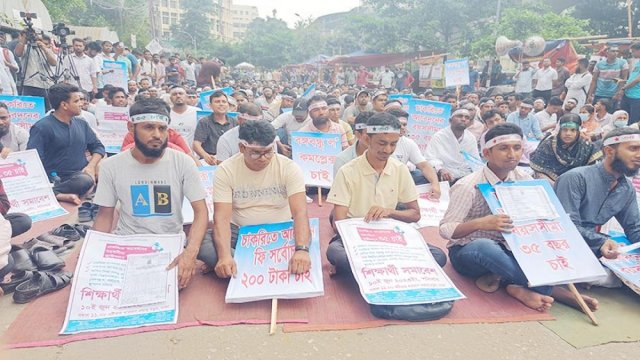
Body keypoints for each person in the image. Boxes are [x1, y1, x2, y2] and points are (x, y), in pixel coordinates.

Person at [441, 122, 598, 312]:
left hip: (514, 249)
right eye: (503, 148)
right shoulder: (468, 186)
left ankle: (512, 284)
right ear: (487, 153)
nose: (512, 154)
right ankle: (555, 291)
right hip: (469, 252)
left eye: (517, 148)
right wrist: (481, 224)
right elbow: (446, 229)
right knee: (485, 247)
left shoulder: (525, 180)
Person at [92, 97, 208, 289]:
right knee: (105, 287)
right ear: (131, 128)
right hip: (127, 242)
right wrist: (94, 252)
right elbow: (105, 214)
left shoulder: (183, 162)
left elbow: (201, 211)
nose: (157, 135)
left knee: (169, 286)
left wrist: (190, 252)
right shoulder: (110, 166)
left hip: (169, 243)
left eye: (162, 129)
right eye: (148, 127)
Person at [327, 112, 447, 276]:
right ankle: (392, 267)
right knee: (335, 252)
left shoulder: (400, 169)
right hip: (356, 236)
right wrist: (364, 234)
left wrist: (389, 212)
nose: (387, 149)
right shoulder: (347, 171)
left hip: (390, 235)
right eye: (382, 143)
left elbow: (415, 214)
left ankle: (377, 268)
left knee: (438, 256)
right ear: (367, 140)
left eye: (393, 144)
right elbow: (339, 223)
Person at [202, 120, 312, 278]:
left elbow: (300, 212)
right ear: (242, 148)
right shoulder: (225, 170)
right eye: (255, 153)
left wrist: (301, 250)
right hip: (239, 232)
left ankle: (244, 266)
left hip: (281, 231)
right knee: (202, 244)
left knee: (306, 241)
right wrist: (224, 255)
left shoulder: (289, 168)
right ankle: (256, 264)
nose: (263, 158)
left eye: (268, 151)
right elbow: (222, 218)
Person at [555, 127, 640, 260]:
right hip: (561, 249)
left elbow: (634, 227)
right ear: (609, 151)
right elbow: (566, 226)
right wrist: (600, 241)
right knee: (610, 280)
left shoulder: (626, 188)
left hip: (596, 248)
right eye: (633, 149)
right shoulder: (575, 178)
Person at [27, 83, 104, 204]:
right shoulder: (42, 127)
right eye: (77, 101)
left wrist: (91, 166)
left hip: (83, 172)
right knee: (85, 181)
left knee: (110, 172)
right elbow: (33, 160)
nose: (81, 103)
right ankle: (54, 192)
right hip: (57, 178)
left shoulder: (81, 124)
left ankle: (58, 193)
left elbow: (98, 147)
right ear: (64, 105)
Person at [530, 114, 602, 185]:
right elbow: (538, 172)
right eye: (564, 130)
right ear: (559, 130)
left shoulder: (586, 146)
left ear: (578, 132)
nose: (568, 133)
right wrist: (558, 186)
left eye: (573, 130)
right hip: (550, 185)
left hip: (577, 185)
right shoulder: (548, 145)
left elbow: (594, 170)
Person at [386, 108, 441, 193]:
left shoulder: (408, 142)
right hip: (379, 181)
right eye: (398, 124)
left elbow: (424, 166)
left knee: (421, 176)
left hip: (398, 181)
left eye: (404, 125)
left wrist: (435, 185)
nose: (402, 127)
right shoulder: (376, 141)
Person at [425, 109, 480, 183]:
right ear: (450, 120)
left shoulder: (471, 137)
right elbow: (430, 158)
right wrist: (441, 169)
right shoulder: (439, 136)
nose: (463, 119)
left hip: (465, 175)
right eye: (460, 116)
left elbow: (475, 160)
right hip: (445, 175)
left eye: (467, 117)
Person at [14, 32, 57, 109]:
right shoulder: (26, 47)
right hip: (29, 84)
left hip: (46, 84)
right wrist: (24, 39)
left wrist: (44, 48)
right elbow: (17, 53)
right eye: (37, 39)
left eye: (40, 40)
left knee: (47, 108)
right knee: (29, 109)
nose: (37, 41)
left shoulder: (47, 49)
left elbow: (53, 63)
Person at [193, 91, 237, 165]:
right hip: (210, 160)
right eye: (217, 102)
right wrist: (206, 156)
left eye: (224, 102)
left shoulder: (235, 122)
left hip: (230, 160)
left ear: (228, 105)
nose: (221, 104)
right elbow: (196, 144)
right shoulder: (204, 122)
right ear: (210, 106)